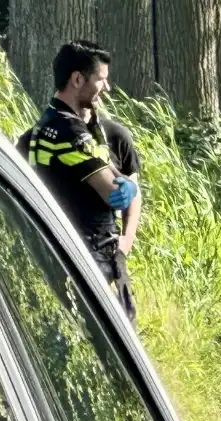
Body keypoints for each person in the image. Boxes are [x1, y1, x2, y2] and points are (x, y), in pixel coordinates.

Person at [17, 40, 140, 321]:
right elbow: (114, 193)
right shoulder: (71, 131)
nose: (106, 88)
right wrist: (125, 185)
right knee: (111, 348)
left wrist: (125, 243)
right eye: (101, 80)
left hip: (58, 256)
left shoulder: (39, 131)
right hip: (88, 258)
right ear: (77, 79)